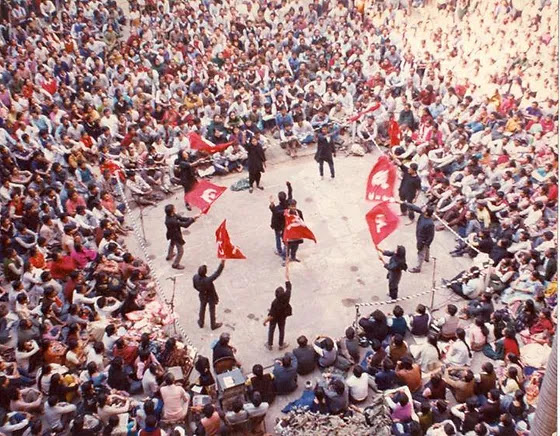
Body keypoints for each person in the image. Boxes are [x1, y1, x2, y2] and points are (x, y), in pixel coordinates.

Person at [263, 259, 292, 350]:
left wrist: (265, 321)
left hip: (275, 317)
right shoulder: (287, 295)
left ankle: (270, 344)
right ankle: (281, 344)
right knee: (281, 329)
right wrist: (287, 266)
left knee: (272, 329)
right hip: (283, 315)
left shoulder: (275, 303)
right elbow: (287, 279)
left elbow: (271, 315)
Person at [164, 204, 200, 270]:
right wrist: (192, 219)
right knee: (180, 251)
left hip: (171, 233)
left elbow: (181, 218)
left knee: (172, 244)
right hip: (176, 236)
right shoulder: (173, 221)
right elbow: (185, 225)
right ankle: (175, 264)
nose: (175, 209)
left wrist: (191, 218)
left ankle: (169, 255)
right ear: (172, 211)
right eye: (174, 208)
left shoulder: (169, 216)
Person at [402, 203, 435, 273]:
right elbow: (414, 207)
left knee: (421, 252)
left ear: (426, 212)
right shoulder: (423, 214)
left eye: (424, 208)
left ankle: (418, 267)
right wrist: (404, 203)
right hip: (419, 236)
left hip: (422, 240)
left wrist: (425, 243)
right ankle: (427, 258)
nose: (422, 208)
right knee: (427, 248)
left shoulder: (430, 224)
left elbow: (431, 236)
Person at [193, 260, 225, 330]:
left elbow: (195, 286)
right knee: (212, 310)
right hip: (210, 296)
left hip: (202, 295)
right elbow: (217, 273)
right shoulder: (208, 280)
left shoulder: (195, 277)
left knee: (202, 308)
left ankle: (201, 322)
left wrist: (201, 291)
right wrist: (222, 264)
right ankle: (213, 325)